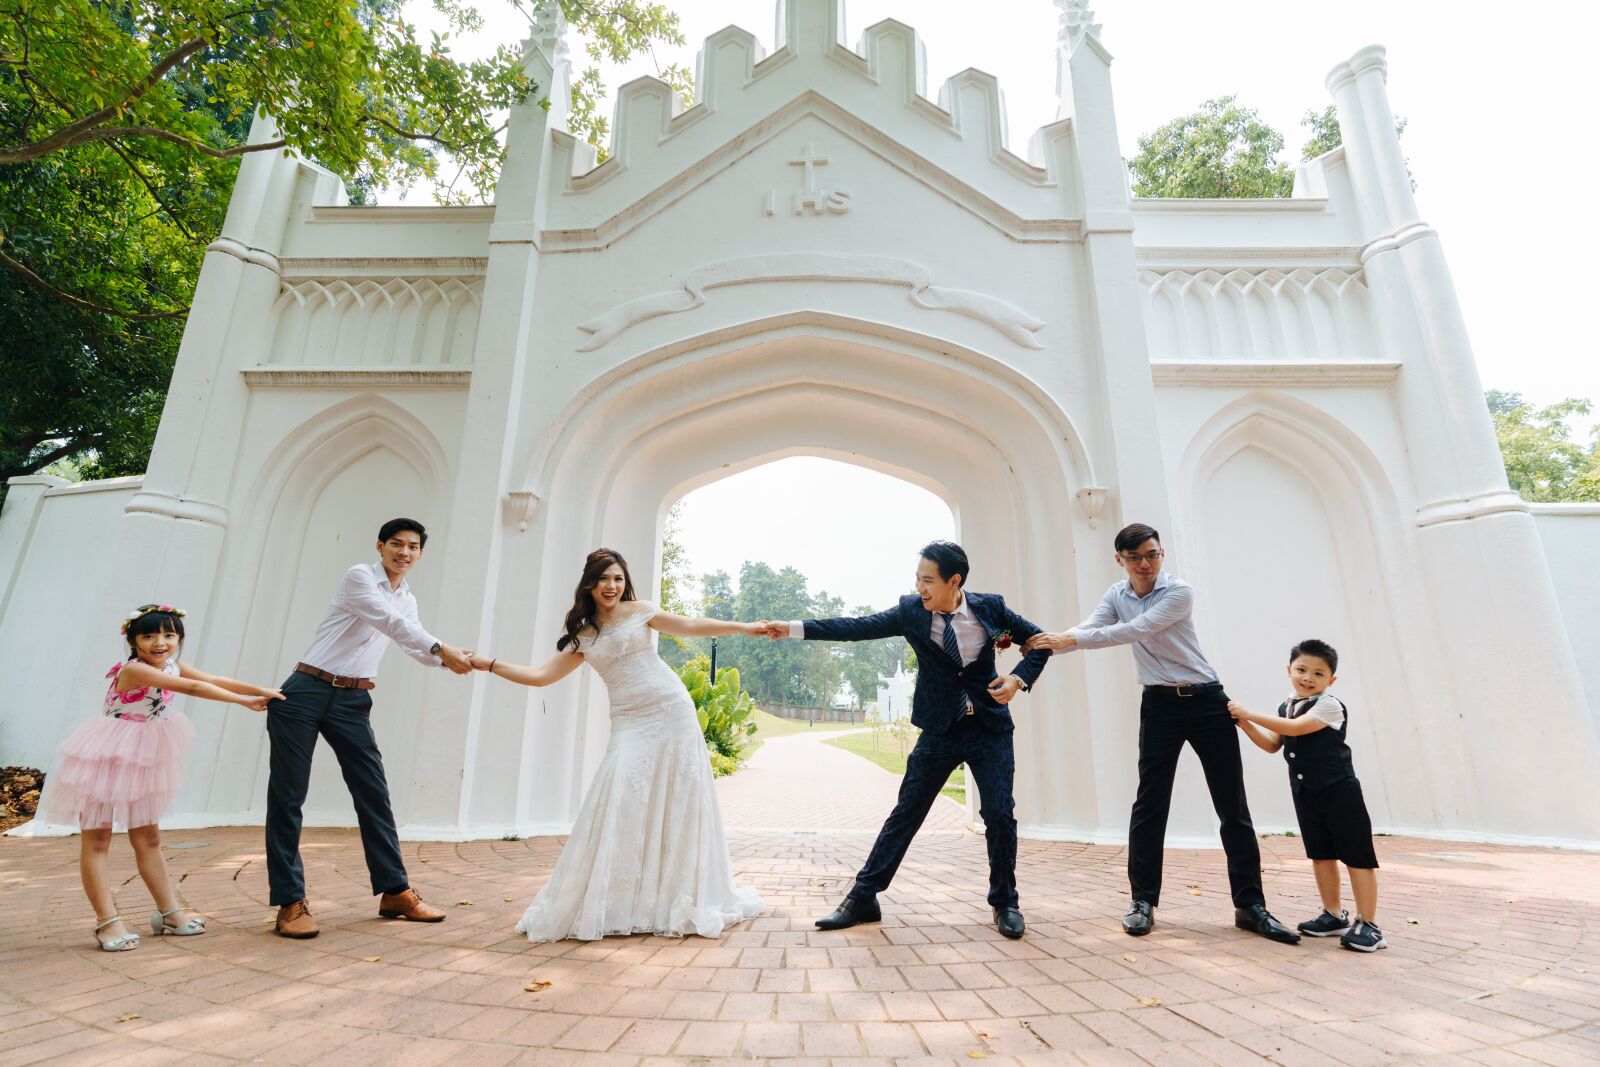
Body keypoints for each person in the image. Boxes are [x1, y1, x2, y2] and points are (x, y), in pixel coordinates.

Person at [472, 548, 766, 941]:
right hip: (630, 721)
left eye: (618, 579)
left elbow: (691, 625)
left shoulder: (640, 611)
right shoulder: (583, 636)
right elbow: (540, 675)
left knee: (679, 797)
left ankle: (676, 897)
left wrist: (745, 628)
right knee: (619, 795)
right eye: (603, 579)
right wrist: (487, 663)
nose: (611, 586)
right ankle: (618, 899)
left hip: (671, 709)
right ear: (589, 584)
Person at [761, 540, 1050, 940]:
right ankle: (863, 898)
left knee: (999, 814)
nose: (920, 588)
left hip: (989, 729)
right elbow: (855, 628)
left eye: (928, 580)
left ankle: (1006, 903)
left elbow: (1040, 641)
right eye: (917, 579)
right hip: (939, 731)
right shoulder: (912, 611)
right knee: (906, 814)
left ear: (955, 581)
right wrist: (793, 628)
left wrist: (1018, 679)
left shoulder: (991, 609)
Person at [1025, 523, 1299, 944]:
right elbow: (1095, 625)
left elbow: (1133, 631)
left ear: (1162, 554)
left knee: (1232, 805)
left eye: (1151, 554)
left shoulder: (1178, 592)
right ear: (1119, 560)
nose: (1145, 563)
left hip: (1208, 701)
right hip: (1159, 705)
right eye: (1134, 557)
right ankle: (1142, 902)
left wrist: (1068, 639)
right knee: (1150, 803)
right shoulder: (1116, 595)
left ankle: (1250, 905)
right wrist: (1052, 642)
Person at [266, 518, 474, 939]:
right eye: (396, 544)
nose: (404, 552)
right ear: (379, 546)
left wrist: (454, 659)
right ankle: (290, 902)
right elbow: (390, 623)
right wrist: (441, 649)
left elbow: (413, 643)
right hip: (306, 690)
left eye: (413, 547)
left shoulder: (407, 597)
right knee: (289, 797)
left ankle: (395, 892)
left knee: (374, 794)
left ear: (420, 553)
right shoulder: (359, 577)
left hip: (353, 700)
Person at [39, 604, 282, 951]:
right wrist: (244, 702)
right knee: (97, 840)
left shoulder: (171, 664)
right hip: (106, 755)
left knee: (149, 837)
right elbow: (194, 690)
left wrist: (262, 689)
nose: (160, 643)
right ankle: (107, 922)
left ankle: (169, 912)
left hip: (143, 758)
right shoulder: (135, 670)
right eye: (149, 635)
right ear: (133, 641)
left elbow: (209, 679)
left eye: (169, 635)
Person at [1229, 639, 1385, 952]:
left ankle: (1368, 924)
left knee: (1356, 856)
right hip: (1307, 792)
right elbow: (1274, 744)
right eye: (1301, 669)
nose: (1308, 677)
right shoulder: (1285, 707)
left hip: (1340, 791)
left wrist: (1250, 712)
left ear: (1331, 680)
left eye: (1318, 673)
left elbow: (1297, 729)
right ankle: (1332, 915)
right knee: (1321, 854)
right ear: (1289, 670)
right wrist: (1244, 724)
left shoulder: (1329, 705)